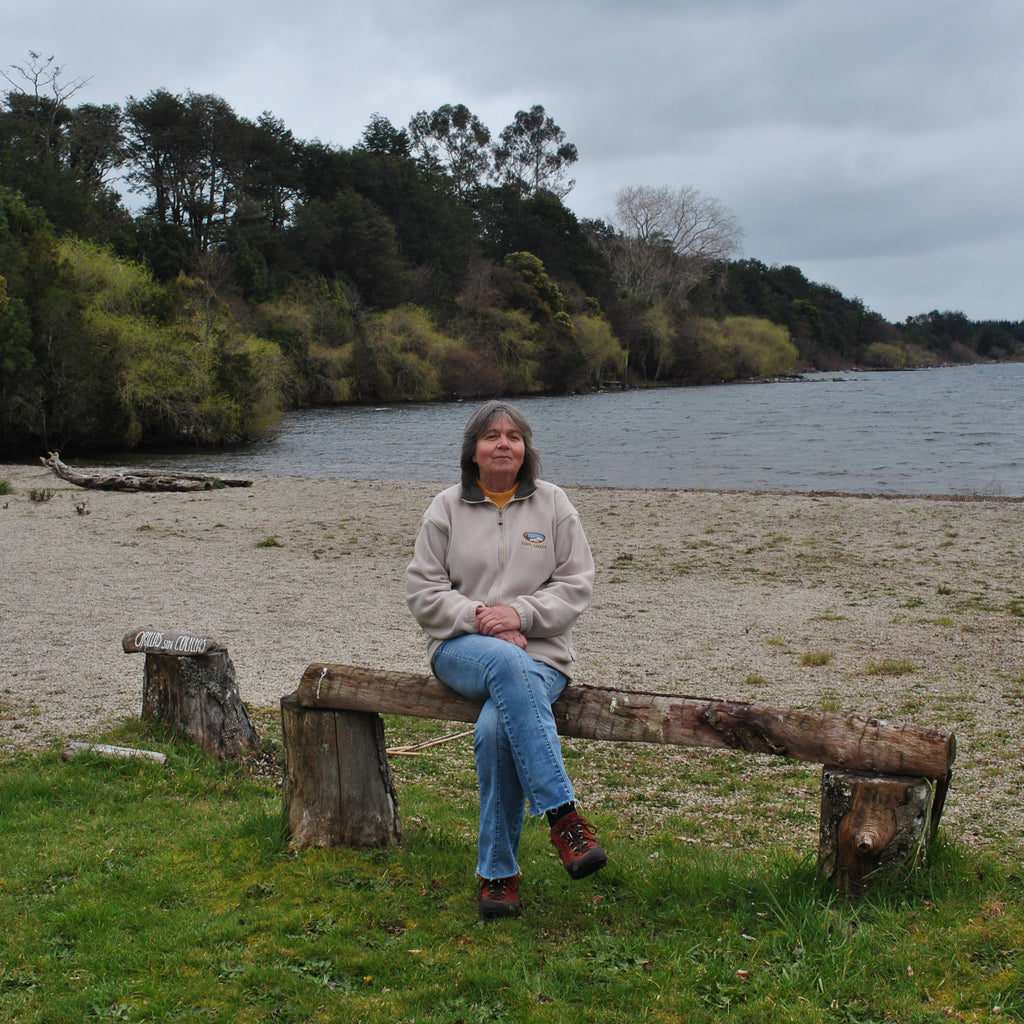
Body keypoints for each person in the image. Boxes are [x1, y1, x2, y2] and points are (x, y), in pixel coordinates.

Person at [406, 400, 607, 919]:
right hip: (461, 649)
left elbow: (576, 585)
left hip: (541, 654)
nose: (503, 444)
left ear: (526, 450)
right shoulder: (445, 507)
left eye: (514, 436)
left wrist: (519, 615)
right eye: (492, 436)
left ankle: (499, 877)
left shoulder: (554, 504)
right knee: (502, 663)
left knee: (498, 730)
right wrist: (481, 617)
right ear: (472, 451)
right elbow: (423, 592)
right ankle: (563, 816)